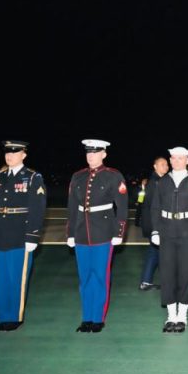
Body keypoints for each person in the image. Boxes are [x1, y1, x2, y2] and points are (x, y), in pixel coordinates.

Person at [66, 139, 128, 333]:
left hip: (103, 233)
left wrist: (119, 232)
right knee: (84, 278)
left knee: (100, 277)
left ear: (104, 154)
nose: (91, 156)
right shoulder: (78, 176)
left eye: (95, 152)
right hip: (81, 233)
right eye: (88, 152)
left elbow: (122, 207)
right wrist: (70, 233)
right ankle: (86, 318)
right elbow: (72, 208)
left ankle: (98, 318)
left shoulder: (113, 175)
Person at [0, 140, 47, 332]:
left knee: (16, 279)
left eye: (14, 152)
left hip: (20, 235)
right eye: (7, 152)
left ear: (23, 155)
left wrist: (32, 236)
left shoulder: (32, 177)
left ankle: (14, 318)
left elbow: (37, 209)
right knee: (0, 280)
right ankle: (3, 317)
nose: (9, 156)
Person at [150, 147, 188, 332]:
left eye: (180, 158)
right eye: (173, 158)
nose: (176, 161)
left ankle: (182, 315)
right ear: (170, 160)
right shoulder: (162, 182)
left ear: (187, 160)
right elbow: (155, 208)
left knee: (186, 272)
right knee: (167, 273)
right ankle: (171, 315)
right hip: (166, 231)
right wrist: (155, 231)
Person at [139, 157, 169, 291]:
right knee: (162, 252)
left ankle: (146, 281)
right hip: (155, 225)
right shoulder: (155, 183)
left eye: (166, 164)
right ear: (155, 167)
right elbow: (155, 207)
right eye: (162, 164)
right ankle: (167, 282)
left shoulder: (159, 181)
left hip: (153, 224)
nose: (165, 166)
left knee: (154, 251)